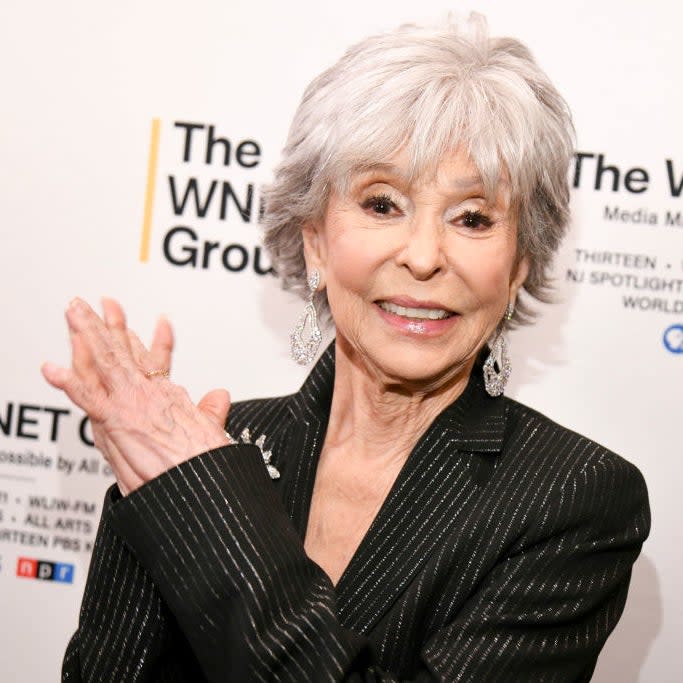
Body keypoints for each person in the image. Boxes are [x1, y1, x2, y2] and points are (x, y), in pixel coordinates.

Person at [44, 15, 649, 683]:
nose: (422, 257)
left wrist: (207, 508)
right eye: (382, 203)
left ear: (516, 268)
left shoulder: (574, 499)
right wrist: (167, 479)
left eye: (472, 217)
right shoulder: (205, 442)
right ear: (315, 242)